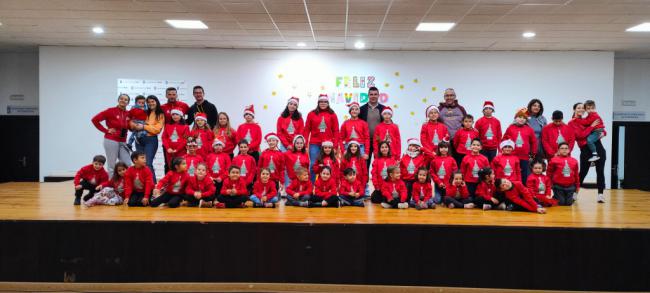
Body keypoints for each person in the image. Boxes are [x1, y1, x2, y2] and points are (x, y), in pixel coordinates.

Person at [569, 102, 606, 203]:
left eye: (582, 108)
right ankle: (575, 193)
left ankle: (600, 195)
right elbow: (580, 135)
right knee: (583, 173)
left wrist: (603, 132)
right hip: (585, 149)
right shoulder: (572, 123)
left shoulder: (588, 119)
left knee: (600, 172)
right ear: (574, 110)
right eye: (578, 108)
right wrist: (592, 127)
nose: (581, 110)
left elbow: (600, 129)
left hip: (598, 147)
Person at [91, 94, 132, 176]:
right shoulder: (110, 111)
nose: (123, 100)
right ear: (118, 100)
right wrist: (106, 130)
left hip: (123, 142)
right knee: (112, 166)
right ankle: (111, 186)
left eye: (125, 99)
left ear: (128, 103)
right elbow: (95, 120)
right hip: (111, 140)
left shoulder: (129, 114)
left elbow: (131, 127)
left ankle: (125, 184)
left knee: (128, 164)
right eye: (121, 98)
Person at [304, 94, 340, 181]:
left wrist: (335, 146)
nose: (323, 103)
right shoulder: (311, 114)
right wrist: (304, 145)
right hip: (314, 144)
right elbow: (306, 130)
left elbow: (336, 131)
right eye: (321, 101)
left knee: (328, 164)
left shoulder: (332, 114)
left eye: (325, 102)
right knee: (313, 164)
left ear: (328, 103)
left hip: (328, 145)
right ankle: (312, 186)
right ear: (318, 102)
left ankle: (329, 187)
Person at [132, 95, 164, 181]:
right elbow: (134, 123)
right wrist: (133, 125)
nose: (150, 103)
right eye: (149, 102)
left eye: (152, 101)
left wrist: (144, 127)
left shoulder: (160, 114)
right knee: (140, 163)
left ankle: (153, 187)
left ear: (156, 102)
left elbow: (157, 129)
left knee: (148, 163)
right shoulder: (144, 112)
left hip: (151, 140)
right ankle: (144, 186)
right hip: (139, 140)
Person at [503, 108, 537, 185]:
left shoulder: (529, 129)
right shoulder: (510, 128)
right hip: (512, 156)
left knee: (524, 175)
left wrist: (533, 153)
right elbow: (504, 140)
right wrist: (504, 151)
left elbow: (534, 142)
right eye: (520, 117)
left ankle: (523, 191)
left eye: (524, 118)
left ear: (526, 120)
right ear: (515, 118)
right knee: (513, 174)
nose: (521, 119)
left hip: (524, 157)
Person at [359, 87, 386, 170]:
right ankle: (365, 182)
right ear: (368, 96)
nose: (373, 96)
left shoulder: (383, 109)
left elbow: (388, 123)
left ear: (378, 95)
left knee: (380, 163)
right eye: (371, 94)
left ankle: (381, 183)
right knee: (364, 164)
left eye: (375, 94)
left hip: (379, 141)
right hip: (365, 141)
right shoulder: (362, 109)